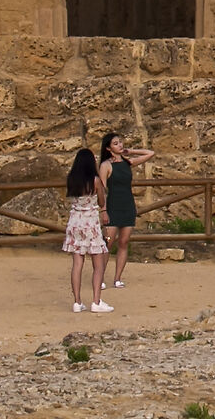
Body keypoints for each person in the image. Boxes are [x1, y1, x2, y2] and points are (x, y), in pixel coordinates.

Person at [98, 133, 154, 288]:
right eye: (116, 143)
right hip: (112, 207)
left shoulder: (128, 162)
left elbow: (150, 153)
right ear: (109, 148)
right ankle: (100, 277)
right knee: (107, 243)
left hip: (128, 206)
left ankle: (117, 278)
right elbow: (101, 190)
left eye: (120, 142)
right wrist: (103, 211)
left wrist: (131, 151)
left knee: (124, 242)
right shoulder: (106, 165)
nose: (120, 145)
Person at [62, 147, 113, 313]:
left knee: (77, 263)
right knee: (98, 264)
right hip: (90, 222)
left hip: (75, 222)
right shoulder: (95, 180)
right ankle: (96, 301)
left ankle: (77, 301)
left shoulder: (72, 179)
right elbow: (100, 200)